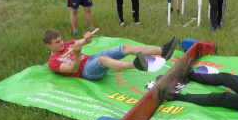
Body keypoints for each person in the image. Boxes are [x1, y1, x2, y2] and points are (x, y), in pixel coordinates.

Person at [43, 29, 179, 81]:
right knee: (102, 59)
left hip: (91, 59)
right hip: (86, 72)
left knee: (124, 47)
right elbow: (73, 69)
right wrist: (77, 54)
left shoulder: (68, 44)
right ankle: (136, 65)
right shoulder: (53, 62)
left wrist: (87, 36)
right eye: (57, 42)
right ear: (48, 45)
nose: (62, 43)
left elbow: (85, 41)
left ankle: (163, 51)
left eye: (61, 39)